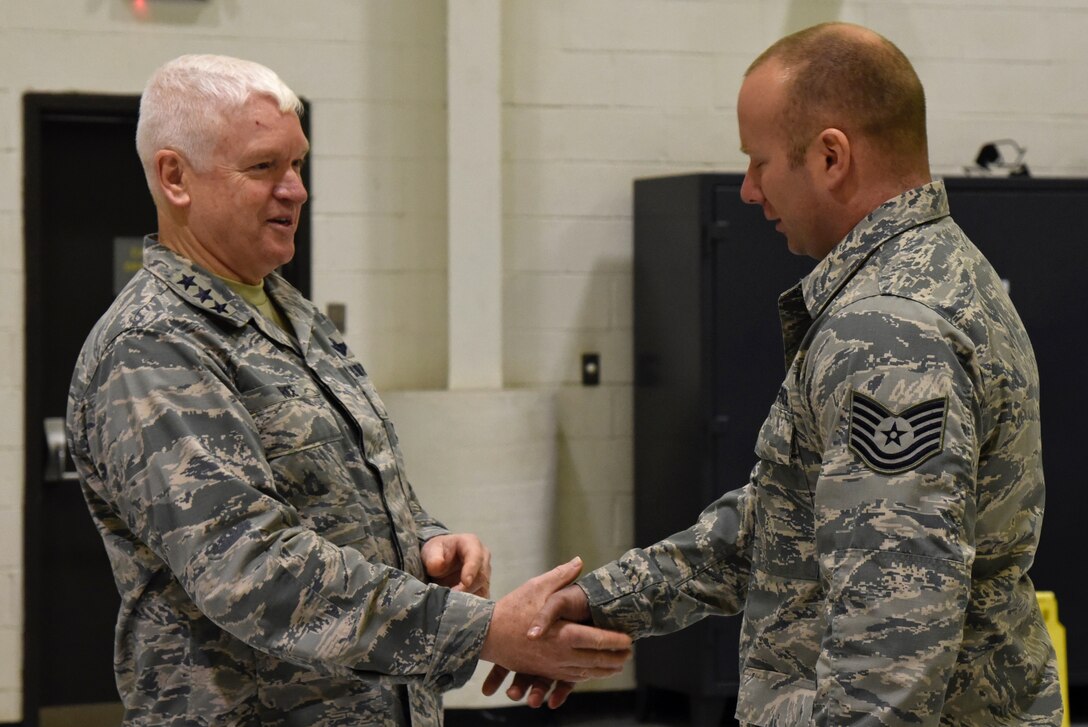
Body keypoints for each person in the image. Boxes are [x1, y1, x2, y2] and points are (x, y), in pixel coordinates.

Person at [487, 22, 1064, 726]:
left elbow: (895, 640)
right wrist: (605, 600)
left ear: (830, 157)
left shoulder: (886, 328)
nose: (749, 190)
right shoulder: (939, 276)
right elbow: (776, 523)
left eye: (759, 163)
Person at [65, 54, 631, 727]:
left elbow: (351, 489)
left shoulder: (291, 312)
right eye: (264, 166)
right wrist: (481, 629)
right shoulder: (154, 346)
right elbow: (251, 565)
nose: (296, 189)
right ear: (175, 176)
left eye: (298, 164)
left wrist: (428, 542)